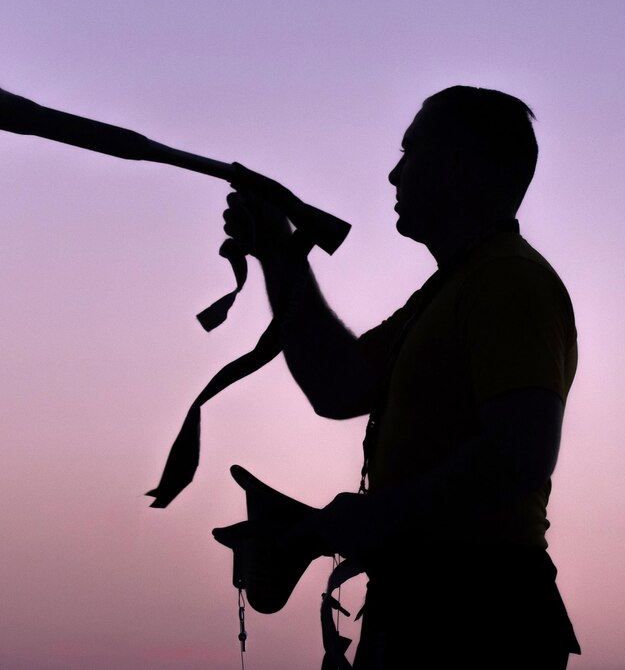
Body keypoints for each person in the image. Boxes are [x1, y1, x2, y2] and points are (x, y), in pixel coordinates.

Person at [221, 86, 580, 669]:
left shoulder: (510, 284)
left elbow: (522, 453)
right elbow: (337, 385)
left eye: (410, 153)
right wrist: (278, 254)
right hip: (429, 609)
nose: (393, 174)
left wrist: (375, 516)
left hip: (476, 618)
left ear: (460, 164)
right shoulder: (448, 293)